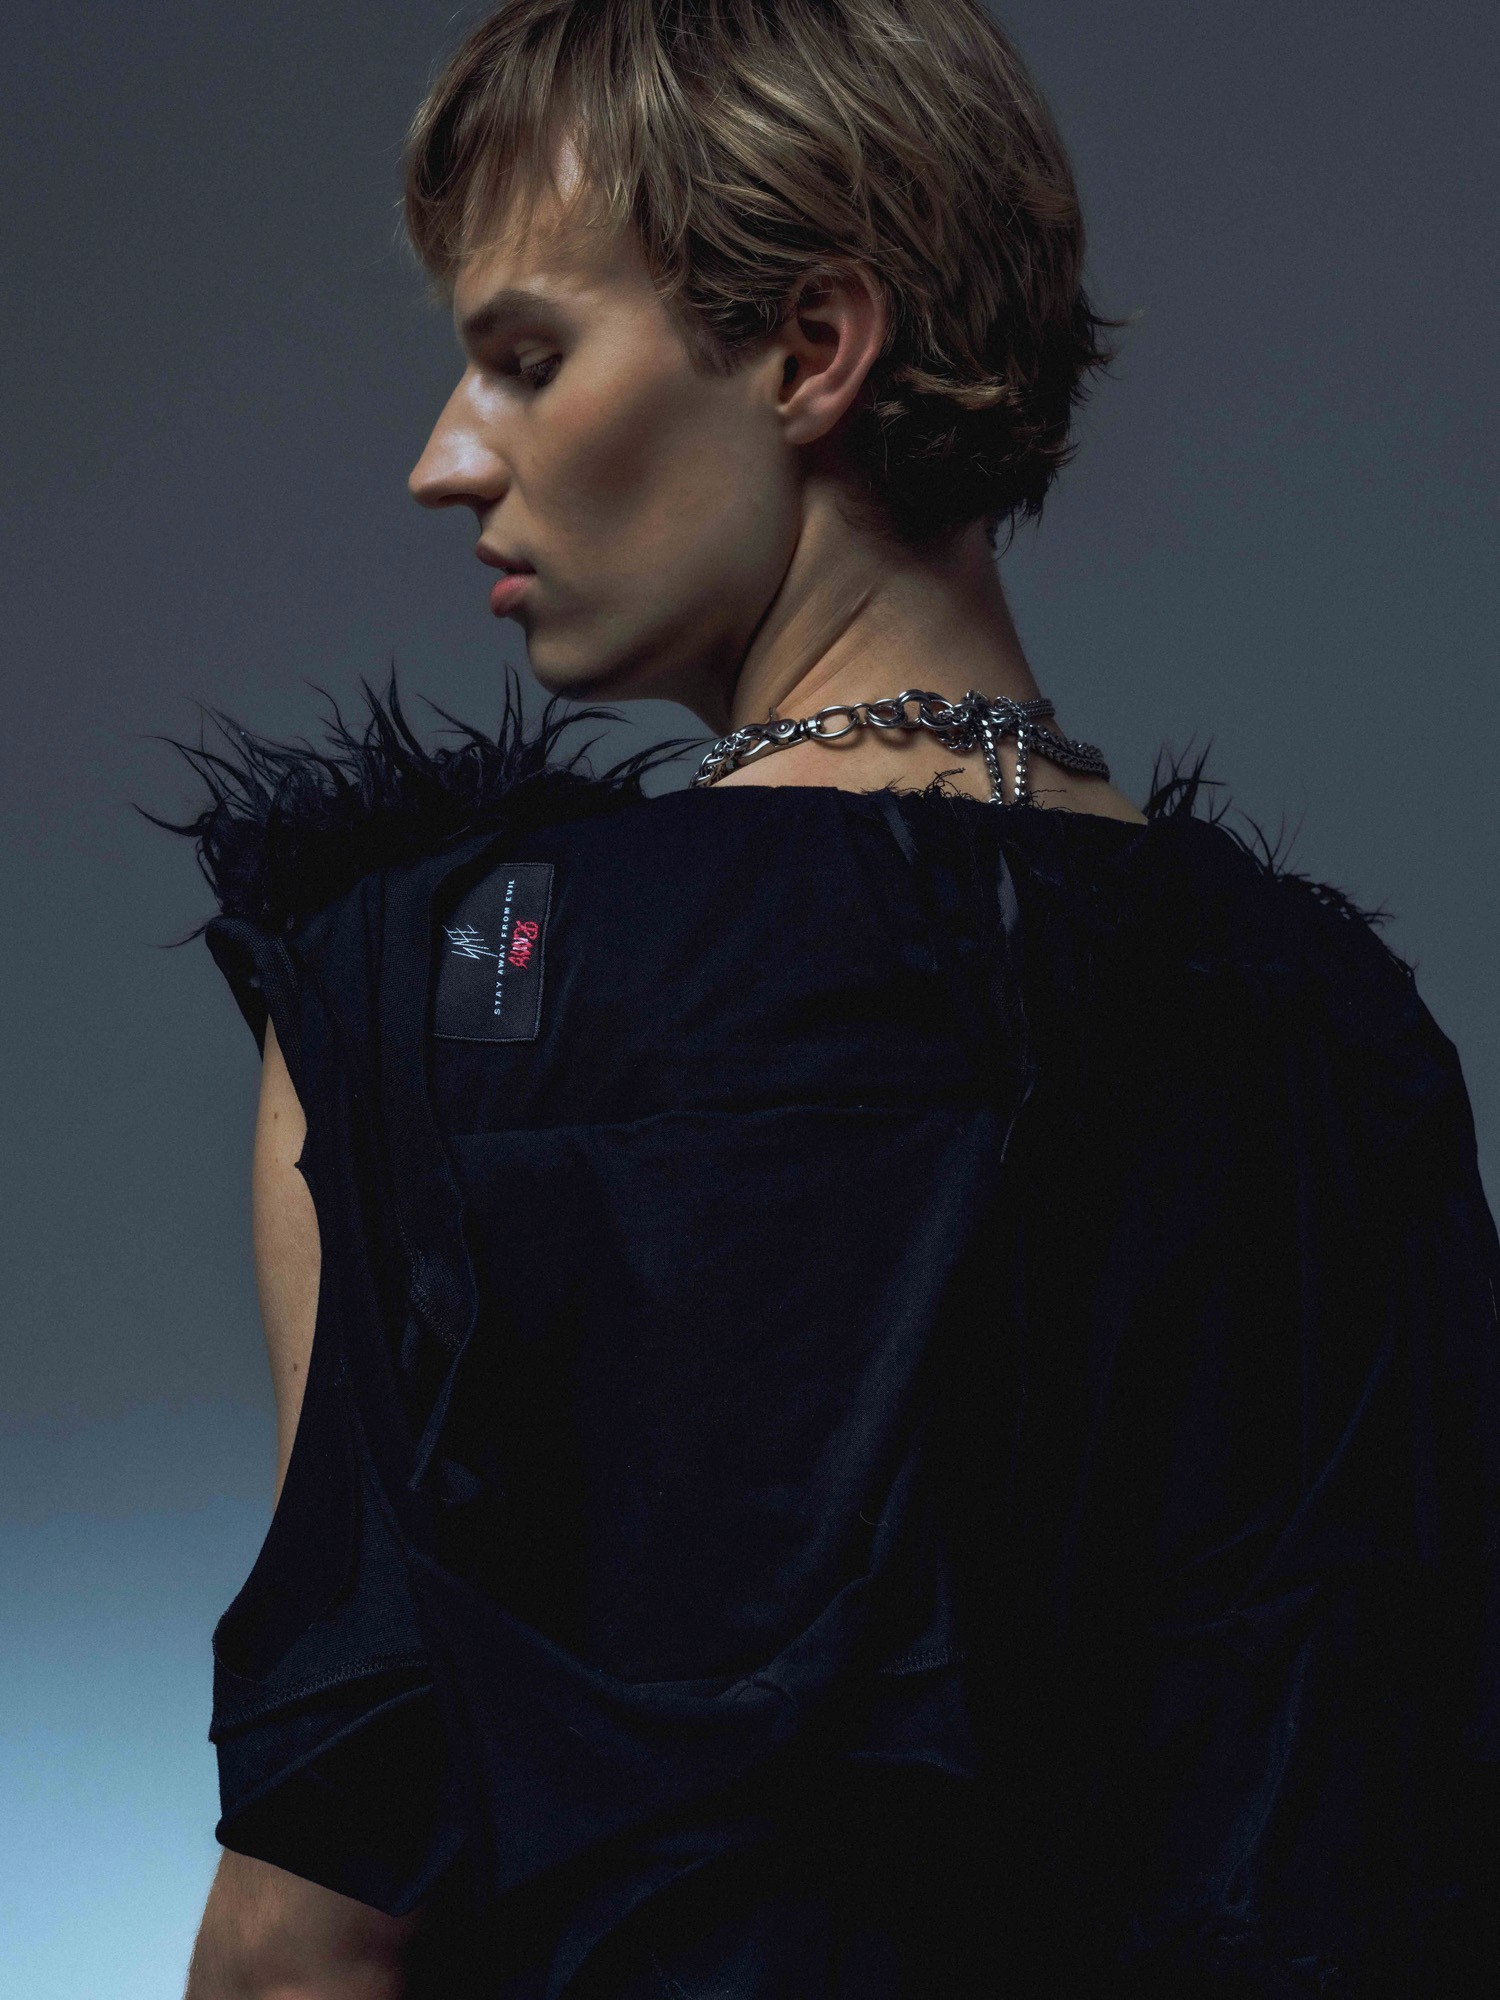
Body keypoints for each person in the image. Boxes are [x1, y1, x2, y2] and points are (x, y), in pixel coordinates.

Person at [167, 2, 1500, 1995]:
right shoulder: (1335, 1037)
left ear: (811, 349)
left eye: (525, 357)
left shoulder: (443, 1000)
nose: (447, 459)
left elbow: (310, 1935)